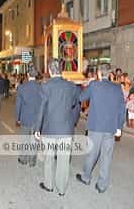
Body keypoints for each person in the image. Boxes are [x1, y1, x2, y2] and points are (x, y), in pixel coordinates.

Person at [76, 63, 125, 193]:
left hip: (96, 127)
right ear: (110, 74)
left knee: (92, 154)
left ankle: (86, 177)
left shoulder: (94, 85)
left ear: (98, 73)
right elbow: (122, 108)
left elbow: (81, 98)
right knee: (106, 156)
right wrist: (119, 127)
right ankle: (102, 185)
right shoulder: (117, 88)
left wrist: (85, 85)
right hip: (111, 127)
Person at [34, 59, 80, 196]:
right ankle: (61, 189)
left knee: (48, 158)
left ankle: (48, 185)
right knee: (64, 160)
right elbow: (74, 105)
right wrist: (72, 121)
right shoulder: (71, 86)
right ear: (61, 70)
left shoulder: (46, 86)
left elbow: (41, 109)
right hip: (66, 129)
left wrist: (37, 129)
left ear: (49, 70)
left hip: (49, 129)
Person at [15, 66, 42, 167]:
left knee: (24, 139)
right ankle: (32, 161)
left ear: (27, 75)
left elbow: (18, 105)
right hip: (37, 120)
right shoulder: (41, 88)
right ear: (36, 76)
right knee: (35, 140)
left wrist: (17, 118)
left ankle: (23, 158)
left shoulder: (22, 88)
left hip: (25, 118)